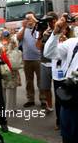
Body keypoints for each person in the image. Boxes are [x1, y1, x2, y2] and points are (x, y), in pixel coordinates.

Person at [44, 15, 78, 143]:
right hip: (70, 99)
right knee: (68, 137)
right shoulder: (72, 43)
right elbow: (49, 53)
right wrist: (56, 32)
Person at [17, 12, 46, 108]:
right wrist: (24, 27)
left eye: (30, 18)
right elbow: (18, 38)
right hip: (27, 59)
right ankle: (30, 99)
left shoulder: (39, 28)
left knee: (40, 80)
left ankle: (43, 99)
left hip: (38, 58)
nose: (29, 20)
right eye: (27, 18)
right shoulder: (23, 29)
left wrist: (35, 23)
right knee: (29, 81)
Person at [36, 12, 58, 112]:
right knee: (45, 88)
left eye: (51, 21)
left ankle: (61, 108)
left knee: (59, 88)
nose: (49, 23)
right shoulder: (44, 31)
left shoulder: (61, 30)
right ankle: (49, 106)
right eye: (47, 21)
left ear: (55, 21)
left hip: (57, 64)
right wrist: (41, 34)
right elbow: (38, 46)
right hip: (44, 63)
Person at [0, 30, 21, 111]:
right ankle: (5, 107)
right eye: (4, 35)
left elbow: (16, 47)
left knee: (12, 88)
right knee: (3, 88)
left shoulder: (13, 43)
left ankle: (12, 107)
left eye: (7, 35)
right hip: (3, 68)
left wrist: (11, 39)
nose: (6, 37)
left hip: (12, 68)